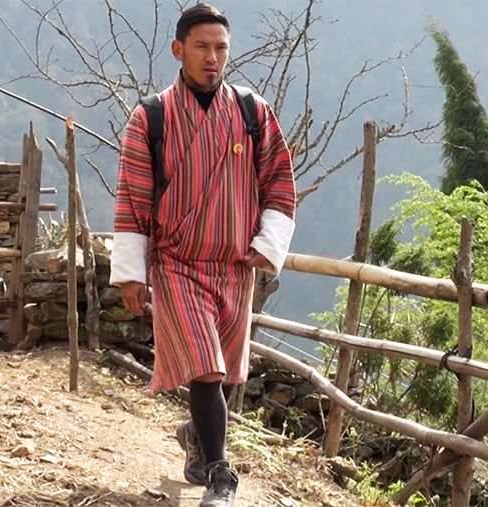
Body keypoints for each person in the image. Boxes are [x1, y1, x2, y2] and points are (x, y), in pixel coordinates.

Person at [109, 3, 297, 505]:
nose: (212, 58)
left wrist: (268, 242)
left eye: (221, 48)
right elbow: (132, 197)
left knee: (215, 370)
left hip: (235, 267)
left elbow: (279, 181)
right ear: (178, 50)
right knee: (206, 365)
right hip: (176, 263)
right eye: (202, 47)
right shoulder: (151, 118)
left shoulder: (253, 114)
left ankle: (196, 438)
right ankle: (220, 476)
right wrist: (131, 273)